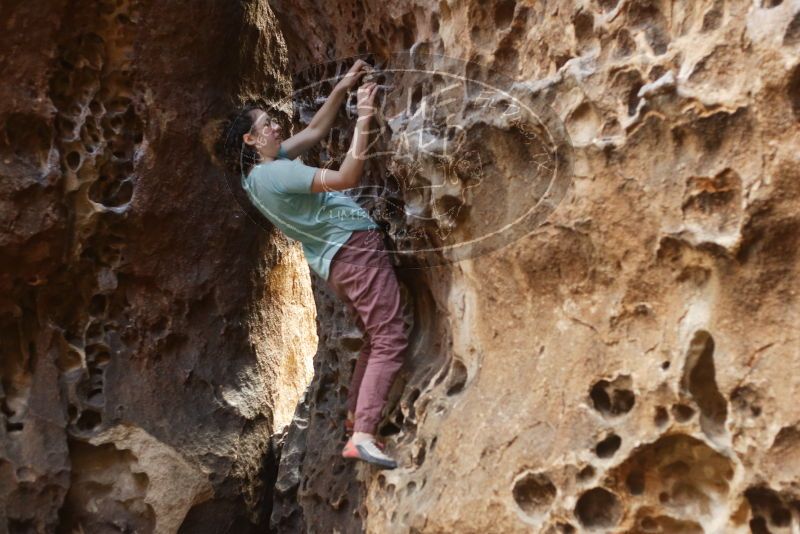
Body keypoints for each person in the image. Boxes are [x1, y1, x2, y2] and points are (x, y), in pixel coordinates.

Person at [217, 60, 407, 469]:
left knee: (376, 339)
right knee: (390, 337)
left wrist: (341, 90)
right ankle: (363, 434)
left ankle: (358, 418)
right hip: (354, 251)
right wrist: (365, 118)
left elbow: (317, 130)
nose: (276, 128)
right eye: (267, 125)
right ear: (251, 140)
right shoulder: (279, 174)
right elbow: (347, 177)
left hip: (337, 264)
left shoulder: (259, 178)